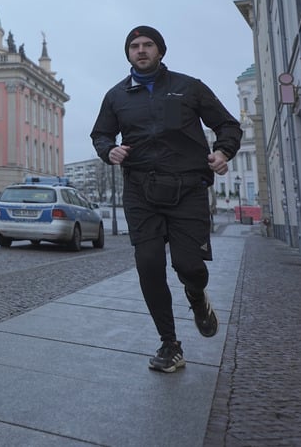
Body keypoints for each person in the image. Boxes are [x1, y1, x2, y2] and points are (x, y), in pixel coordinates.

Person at [90, 25, 241, 373]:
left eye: (148, 45)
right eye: (134, 46)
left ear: (160, 50)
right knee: (149, 265)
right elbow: (100, 134)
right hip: (141, 190)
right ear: (128, 53)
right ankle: (170, 343)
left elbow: (228, 125)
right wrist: (109, 150)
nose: (141, 50)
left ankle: (197, 296)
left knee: (189, 266)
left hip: (187, 189)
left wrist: (223, 152)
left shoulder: (189, 87)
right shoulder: (116, 96)